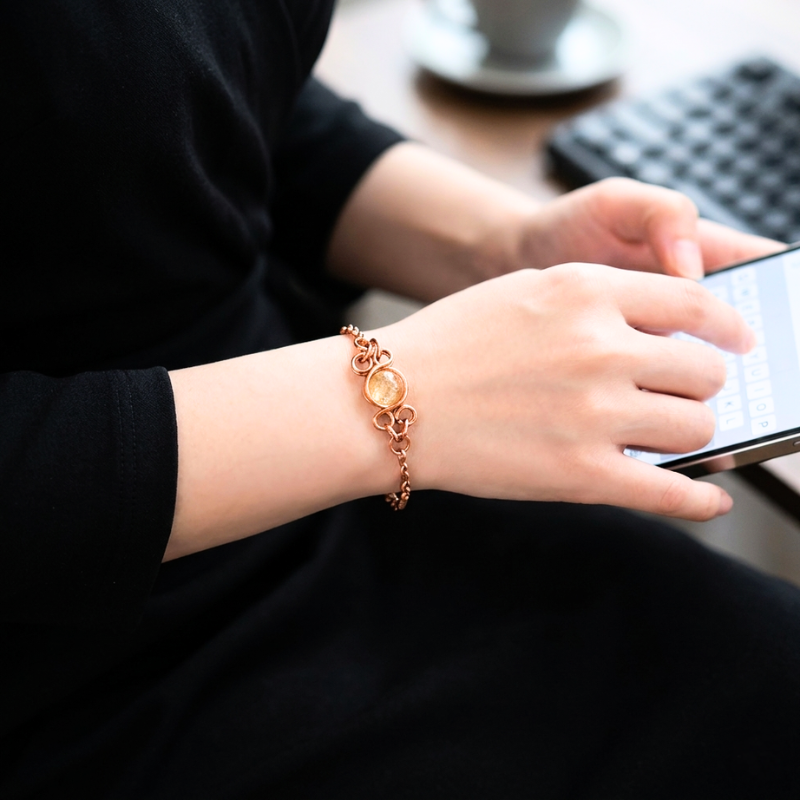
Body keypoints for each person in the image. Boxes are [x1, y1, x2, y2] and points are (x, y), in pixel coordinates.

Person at [4, 2, 800, 798]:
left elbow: (190, 104)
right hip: (82, 665)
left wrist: (503, 247)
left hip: (325, 496)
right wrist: (396, 396)